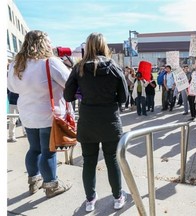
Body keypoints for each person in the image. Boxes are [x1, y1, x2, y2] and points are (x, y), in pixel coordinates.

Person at [63, 32, 129, 212]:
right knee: (112, 161)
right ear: (104, 46)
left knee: (89, 161)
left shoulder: (79, 68)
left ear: (88, 46)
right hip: (110, 122)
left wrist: (82, 92)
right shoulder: (114, 67)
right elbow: (124, 97)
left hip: (88, 122)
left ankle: (90, 200)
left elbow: (67, 95)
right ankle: (117, 197)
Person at [7, 30, 72, 198]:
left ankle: (33, 180)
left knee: (34, 149)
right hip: (48, 114)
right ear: (44, 43)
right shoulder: (50, 63)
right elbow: (70, 83)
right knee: (48, 152)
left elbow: (12, 88)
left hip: (27, 114)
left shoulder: (16, 63)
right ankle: (51, 184)